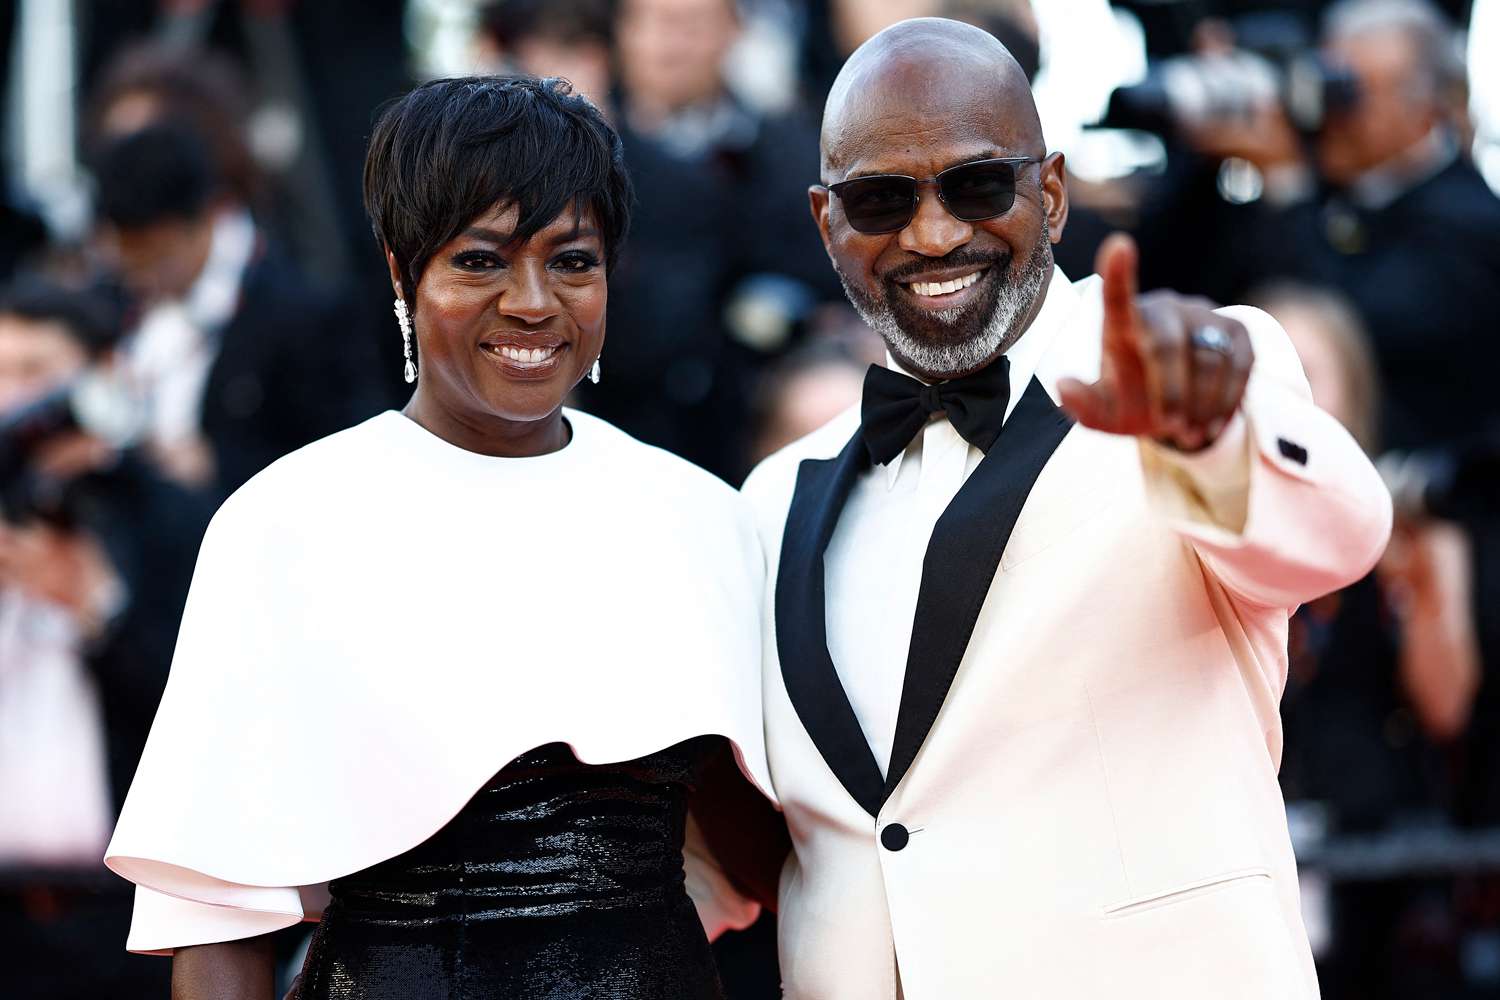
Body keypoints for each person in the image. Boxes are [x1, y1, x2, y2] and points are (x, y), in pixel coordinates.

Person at [742, 18, 1392, 998]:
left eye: (976, 184)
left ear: (1050, 193)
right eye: (880, 200)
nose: (932, 232)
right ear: (827, 221)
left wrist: (1203, 437)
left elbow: (1332, 538)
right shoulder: (772, 500)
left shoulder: (1183, 381)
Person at [105, 76, 784, 998]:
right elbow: (221, 919)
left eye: (573, 261)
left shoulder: (704, 516)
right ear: (401, 270)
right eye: (480, 261)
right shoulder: (285, 523)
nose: (533, 302)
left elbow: (768, 853)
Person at [0, 278, 210, 999]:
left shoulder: (173, 520)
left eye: (34, 373)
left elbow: (206, 728)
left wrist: (99, 609)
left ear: (100, 379)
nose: (12, 400)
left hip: (122, 924)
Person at [90, 119, 384, 498]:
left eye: (154, 259)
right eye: (128, 264)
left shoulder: (302, 308)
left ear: (201, 222)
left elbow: (350, 455)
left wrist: (218, 465)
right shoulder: (115, 299)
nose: (140, 279)